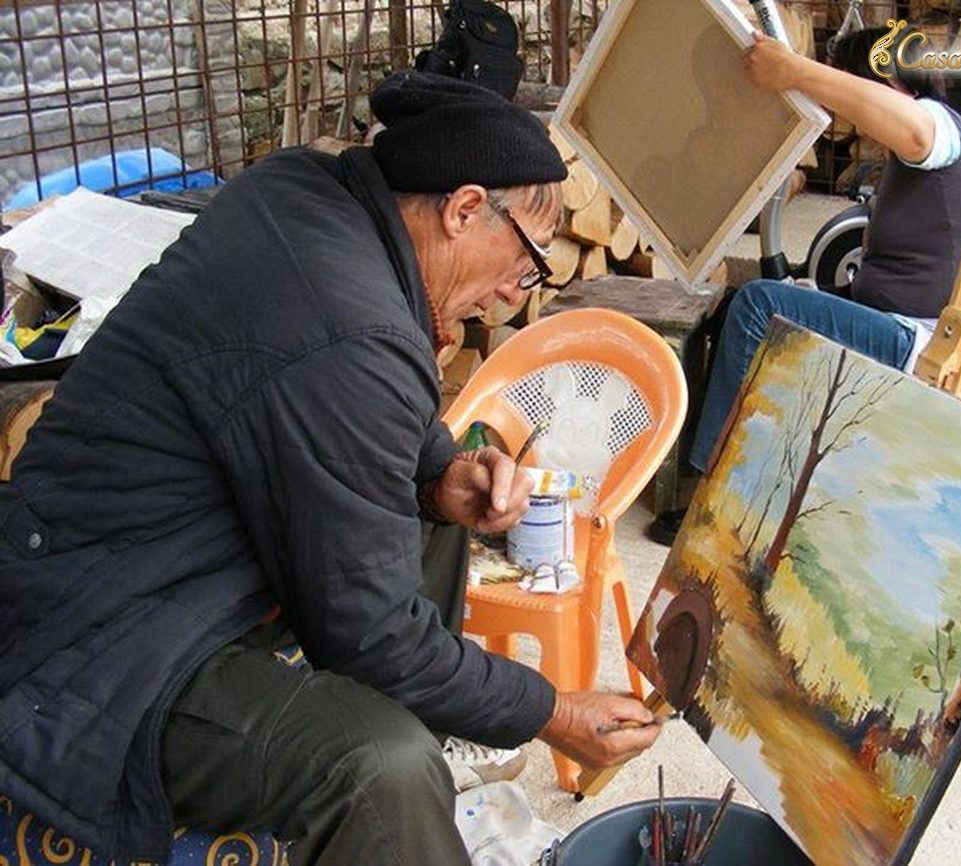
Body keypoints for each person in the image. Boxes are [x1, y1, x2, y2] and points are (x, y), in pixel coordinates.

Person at [0, 71, 661, 865]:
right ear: (461, 210)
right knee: (378, 765)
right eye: (525, 264)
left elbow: (329, 398)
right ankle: (401, 804)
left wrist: (438, 471)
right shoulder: (352, 328)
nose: (507, 297)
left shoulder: (302, 191)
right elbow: (373, 633)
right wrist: (550, 711)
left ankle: (427, 733)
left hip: (137, 548)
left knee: (438, 514)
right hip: (104, 631)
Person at [650, 27, 961, 545]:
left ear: (882, 81)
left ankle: (720, 496)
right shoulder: (930, 146)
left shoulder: (938, 128)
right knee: (743, 302)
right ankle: (736, 468)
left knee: (759, 305)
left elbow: (916, 129)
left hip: (927, 345)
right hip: (906, 326)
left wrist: (797, 71)